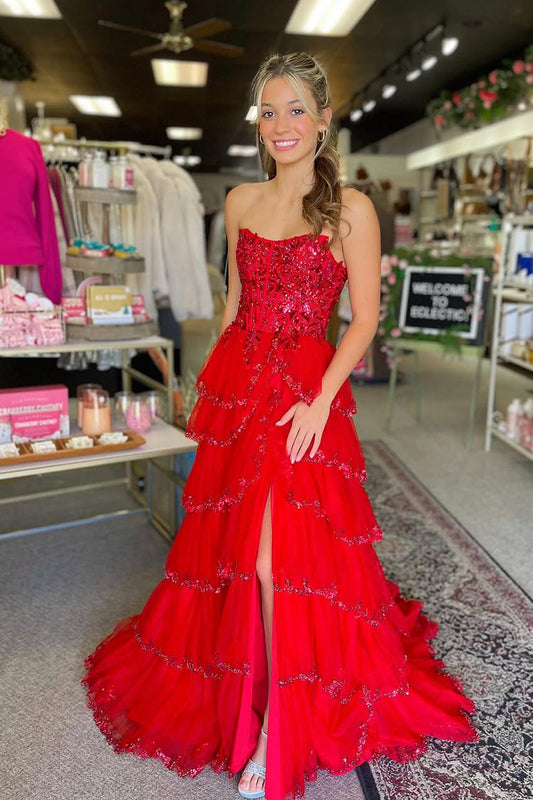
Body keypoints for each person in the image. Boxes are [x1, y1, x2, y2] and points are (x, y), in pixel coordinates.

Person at [82, 51, 478, 800]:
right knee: (231, 550)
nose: (281, 125)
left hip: (304, 395)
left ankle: (277, 730)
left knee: (277, 561)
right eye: (268, 111)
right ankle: (246, 692)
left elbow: (364, 320)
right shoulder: (237, 201)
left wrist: (323, 397)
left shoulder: (350, 208)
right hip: (241, 391)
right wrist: (206, 391)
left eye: (295, 109)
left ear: (324, 120)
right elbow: (234, 307)